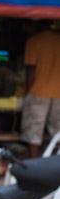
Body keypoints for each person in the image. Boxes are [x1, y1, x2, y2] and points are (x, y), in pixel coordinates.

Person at [23, 22, 60, 158]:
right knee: (58, 132)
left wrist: (27, 91)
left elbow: (30, 71)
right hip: (59, 92)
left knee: (34, 132)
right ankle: (57, 163)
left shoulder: (33, 41)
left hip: (38, 91)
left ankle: (34, 163)